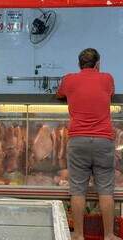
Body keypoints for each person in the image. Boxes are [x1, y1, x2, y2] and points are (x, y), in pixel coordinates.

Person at [56, 48, 120, 240]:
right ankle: (109, 235)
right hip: (103, 140)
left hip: (78, 141)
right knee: (106, 190)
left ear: (79, 64)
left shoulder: (69, 79)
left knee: (77, 190)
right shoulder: (107, 78)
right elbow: (110, 93)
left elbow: (60, 94)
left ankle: (78, 235)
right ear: (98, 64)